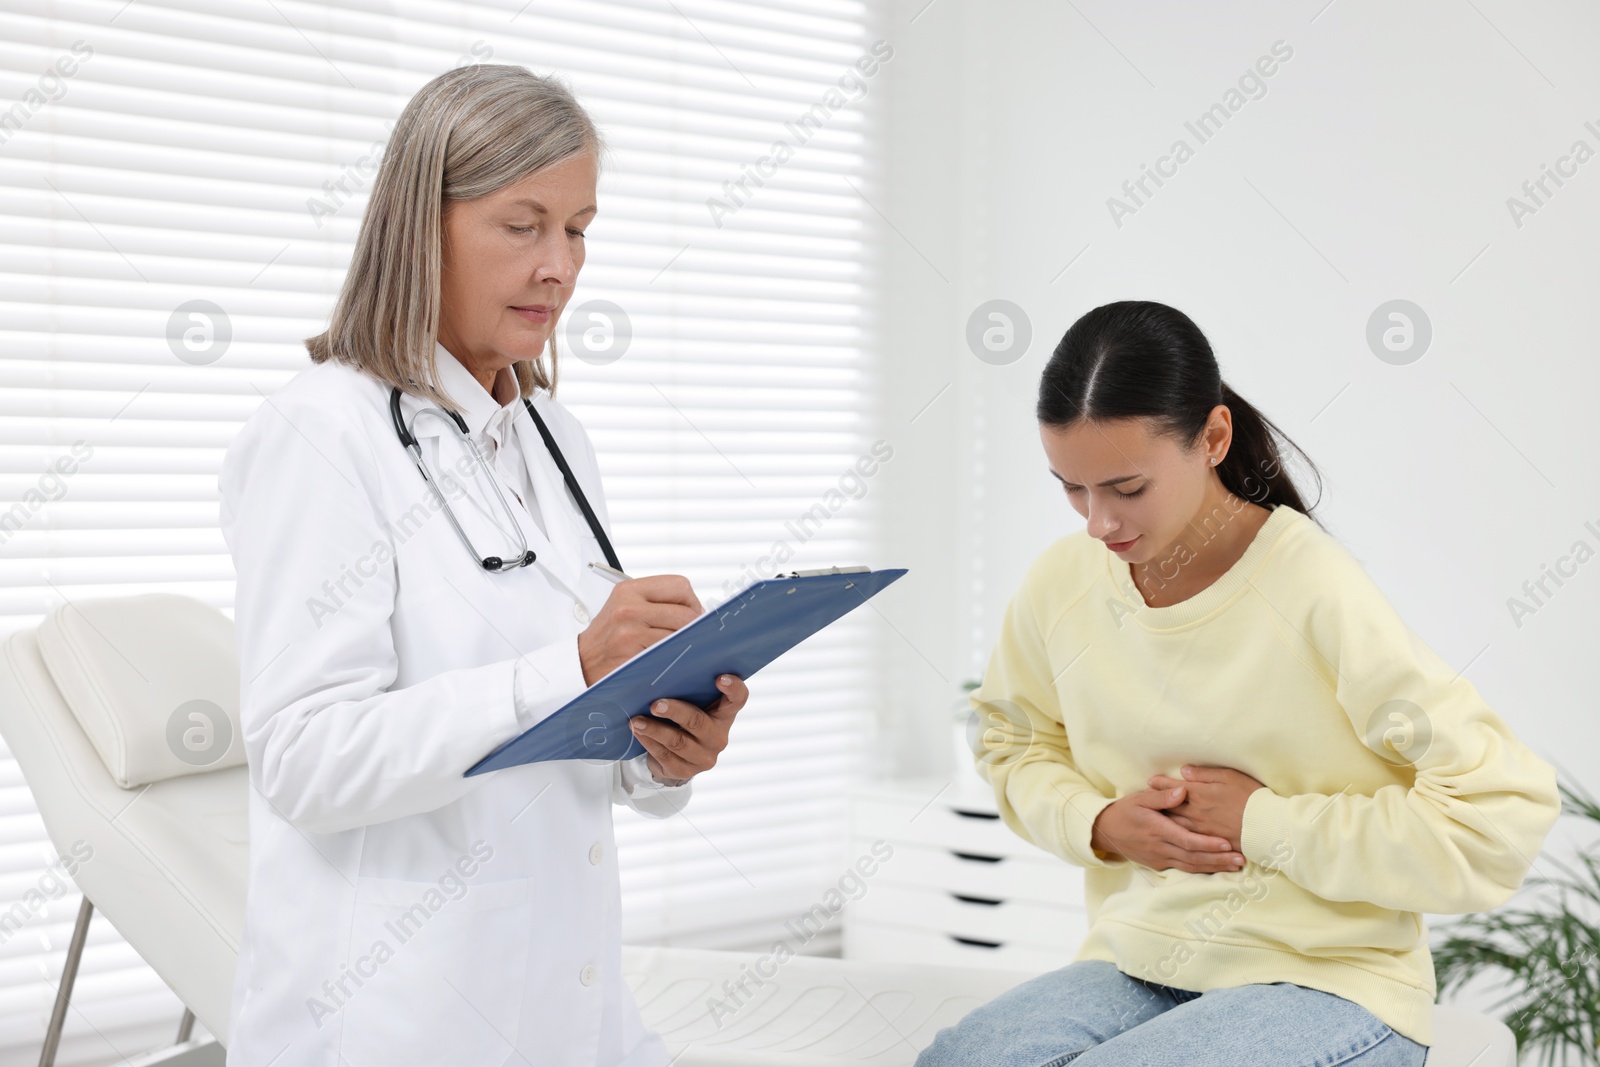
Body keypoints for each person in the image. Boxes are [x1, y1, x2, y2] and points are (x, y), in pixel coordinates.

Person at [217, 65, 747, 1065]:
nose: (560, 265)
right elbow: (302, 758)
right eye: (523, 223)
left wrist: (659, 746)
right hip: (392, 1015)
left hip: (568, 1004)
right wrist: (571, 668)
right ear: (423, 224)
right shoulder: (319, 433)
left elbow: (565, 724)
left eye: (579, 227)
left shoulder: (547, 433)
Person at [916, 300, 1560, 1066]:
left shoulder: (1311, 588)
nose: (1098, 523)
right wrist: (1096, 823)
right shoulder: (1064, 582)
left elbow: (1499, 814)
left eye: (1127, 488)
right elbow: (1011, 736)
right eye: (1072, 488)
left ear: (1213, 438)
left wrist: (1264, 822)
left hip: (1327, 979)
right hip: (1141, 958)